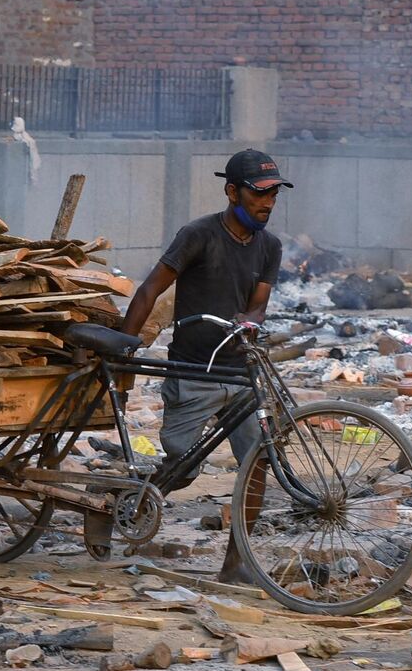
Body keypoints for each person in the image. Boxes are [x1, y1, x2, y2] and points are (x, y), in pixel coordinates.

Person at [115, 148, 291, 584]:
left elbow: (260, 302)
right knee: (184, 466)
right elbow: (149, 290)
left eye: (273, 195)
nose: (267, 203)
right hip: (193, 369)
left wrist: (251, 320)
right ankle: (126, 505)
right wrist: (124, 352)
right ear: (232, 191)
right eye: (258, 194)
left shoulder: (270, 246)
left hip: (239, 369)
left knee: (258, 458)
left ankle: (237, 562)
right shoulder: (198, 235)